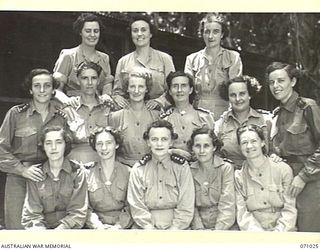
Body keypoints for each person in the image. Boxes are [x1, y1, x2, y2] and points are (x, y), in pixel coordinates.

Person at [0, 69, 65, 229]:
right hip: (19, 178)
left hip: (50, 180)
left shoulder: (61, 117)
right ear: (30, 89)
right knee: (16, 229)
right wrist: (22, 170)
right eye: (37, 86)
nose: (42, 90)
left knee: (48, 230)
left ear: (53, 89)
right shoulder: (16, 114)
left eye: (47, 86)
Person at [266, 61, 320, 232]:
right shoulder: (276, 114)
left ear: (293, 81)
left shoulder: (307, 107)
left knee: (309, 232)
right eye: (271, 82)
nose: (275, 86)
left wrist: (303, 176)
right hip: (285, 183)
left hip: (310, 181)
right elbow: (278, 148)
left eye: (281, 81)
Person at [127, 120, 195, 229]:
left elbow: (186, 204)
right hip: (145, 226)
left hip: (178, 225)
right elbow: (136, 205)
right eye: (154, 139)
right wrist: (149, 228)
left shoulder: (181, 167)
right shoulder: (139, 169)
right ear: (148, 142)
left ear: (171, 142)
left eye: (164, 139)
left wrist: (175, 229)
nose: (159, 144)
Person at [21, 125, 88, 229]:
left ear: (66, 145)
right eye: (48, 143)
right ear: (43, 146)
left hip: (69, 230)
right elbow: (32, 214)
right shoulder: (35, 173)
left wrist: (60, 231)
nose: (53, 147)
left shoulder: (77, 172)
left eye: (59, 142)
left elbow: (78, 211)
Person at [235, 124, 297, 231]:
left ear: (263, 143)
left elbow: (290, 208)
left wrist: (278, 232)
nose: (249, 146)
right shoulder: (238, 176)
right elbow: (242, 213)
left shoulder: (283, 169)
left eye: (254, 141)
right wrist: (260, 236)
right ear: (240, 147)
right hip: (253, 233)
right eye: (244, 142)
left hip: (283, 230)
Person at [184, 13, 243, 120]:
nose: (210, 36)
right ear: (202, 34)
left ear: (222, 34)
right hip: (198, 114)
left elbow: (236, 90)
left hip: (225, 115)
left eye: (215, 32)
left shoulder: (233, 57)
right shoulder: (192, 59)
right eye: (207, 32)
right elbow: (186, 91)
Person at [112, 16, 175, 110]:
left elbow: (173, 87)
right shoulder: (123, 61)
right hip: (132, 112)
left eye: (144, 30)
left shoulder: (165, 59)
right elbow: (117, 92)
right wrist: (118, 98)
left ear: (150, 34)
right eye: (135, 30)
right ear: (131, 34)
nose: (139, 34)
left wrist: (159, 101)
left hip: (159, 113)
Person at [214, 75, 272, 168]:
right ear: (228, 97)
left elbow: (273, 154)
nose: (237, 99)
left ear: (249, 95)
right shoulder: (221, 124)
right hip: (230, 175)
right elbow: (215, 155)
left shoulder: (265, 121)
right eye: (233, 95)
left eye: (242, 94)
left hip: (260, 174)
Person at [53, 13, 113, 101]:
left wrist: (106, 97)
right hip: (72, 106)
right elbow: (56, 89)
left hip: (98, 107)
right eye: (88, 31)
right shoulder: (68, 56)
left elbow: (107, 87)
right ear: (80, 32)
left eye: (96, 31)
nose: (92, 35)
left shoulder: (104, 58)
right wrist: (68, 102)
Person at [62, 61, 112, 165]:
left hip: (102, 163)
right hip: (75, 165)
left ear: (98, 81)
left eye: (93, 78)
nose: (89, 83)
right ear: (78, 80)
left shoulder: (108, 107)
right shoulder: (69, 109)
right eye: (85, 78)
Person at [108, 67, 159, 167]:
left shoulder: (156, 115)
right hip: (124, 167)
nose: (136, 91)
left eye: (140, 87)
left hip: (151, 166)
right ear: (127, 89)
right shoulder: (115, 117)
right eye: (132, 86)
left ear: (146, 89)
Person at [187, 127, 235, 230]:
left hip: (224, 225)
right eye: (197, 146)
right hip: (196, 224)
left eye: (206, 146)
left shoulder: (225, 168)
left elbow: (227, 203)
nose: (202, 151)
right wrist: (199, 229)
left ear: (214, 147)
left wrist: (218, 230)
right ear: (192, 148)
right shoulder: (189, 170)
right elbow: (189, 204)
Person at [85, 126, 132, 229]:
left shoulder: (128, 172)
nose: (104, 148)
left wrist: (118, 227)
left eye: (108, 143)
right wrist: (98, 227)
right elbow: (85, 208)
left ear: (116, 144)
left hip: (122, 228)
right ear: (95, 147)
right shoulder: (87, 173)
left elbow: (131, 207)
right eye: (99, 144)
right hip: (96, 228)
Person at [161, 71, 215, 157]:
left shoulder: (204, 117)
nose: (179, 90)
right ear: (170, 91)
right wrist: (173, 151)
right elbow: (159, 148)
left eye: (183, 86)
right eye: (175, 86)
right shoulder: (165, 119)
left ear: (190, 90)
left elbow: (213, 146)